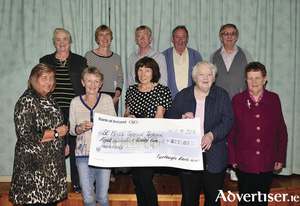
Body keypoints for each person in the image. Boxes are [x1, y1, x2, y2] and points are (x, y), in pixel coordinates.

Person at [165, 61, 234, 206]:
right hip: (189, 155)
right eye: (201, 74)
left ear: (214, 78)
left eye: (209, 74)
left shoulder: (222, 95)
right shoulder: (183, 95)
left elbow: (228, 120)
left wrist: (212, 135)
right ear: (194, 78)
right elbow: (169, 116)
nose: (205, 78)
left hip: (215, 155)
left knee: (213, 200)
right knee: (189, 199)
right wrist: (181, 118)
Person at [228, 62, 288, 205]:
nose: (254, 82)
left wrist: (280, 157)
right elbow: (231, 132)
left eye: (257, 78)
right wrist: (232, 158)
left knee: (261, 201)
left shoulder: (274, 99)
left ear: (265, 79)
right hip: (244, 160)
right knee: (245, 201)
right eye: (250, 78)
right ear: (245, 80)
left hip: (267, 160)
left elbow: (281, 131)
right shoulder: (237, 100)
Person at [9, 63, 69, 206]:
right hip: (34, 172)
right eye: (44, 78)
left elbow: (57, 124)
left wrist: (63, 142)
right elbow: (26, 136)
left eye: (51, 78)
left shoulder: (49, 98)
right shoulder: (27, 100)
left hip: (51, 170)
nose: (49, 82)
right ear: (34, 79)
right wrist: (56, 133)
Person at [40, 28, 87, 193]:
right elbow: (40, 84)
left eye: (65, 39)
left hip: (75, 109)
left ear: (70, 41)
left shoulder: (80, 61)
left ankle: (78, 182)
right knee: (54, 146)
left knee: (75, 147)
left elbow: (86, 84)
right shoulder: (45, 60)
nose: (61, 42)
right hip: (53, 110)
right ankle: (53, 182)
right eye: (58, 39)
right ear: (54, 42)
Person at [124, 57, 172, 206]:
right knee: (137, 182)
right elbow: (126, 114)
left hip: (151, 141)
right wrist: (128, 117)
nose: (143, 74)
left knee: (145, 182)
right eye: (140, 70)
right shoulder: (131, 90)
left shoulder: (162, 90)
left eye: (147, 70)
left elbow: (159, 118)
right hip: (133, 141)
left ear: (154, 72)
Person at [210, 23, 253, 181]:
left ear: (237, 36)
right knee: (222, 134)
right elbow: (210, 79)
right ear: (220, 37)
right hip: (220, 102)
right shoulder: (214, 55)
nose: (229, 36)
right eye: (225, 33)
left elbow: (252, 76)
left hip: (239, 101)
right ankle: (224, 166)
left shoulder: (245, 54)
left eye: (232, 33)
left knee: (238, 134)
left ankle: (236, 166)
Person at [69, 67, 116, 206]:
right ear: (83, 82)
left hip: (103, 155)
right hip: (83, 156)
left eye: (96, 81)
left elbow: (114, 125)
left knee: (102, 197)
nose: (92, 84)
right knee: (88, 198)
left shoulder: (107, 100)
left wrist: (103, 127)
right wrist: (80, 128)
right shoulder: (75, 102)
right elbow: (72, 130)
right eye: (89, 80)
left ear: (101, 84)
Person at [85, 25, 124, 114]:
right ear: (97, 39)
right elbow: (87, 78)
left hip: (112, 98)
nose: (105, 37)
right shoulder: (89, 56)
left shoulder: (116, 58)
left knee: (112, 127)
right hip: (94, 97)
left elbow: (120, 78)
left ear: (111, 38)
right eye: (101, 35)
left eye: (107, 34)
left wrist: (116, 97)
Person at [163, 25, 203, 99]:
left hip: (191, 99)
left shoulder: (195, 55)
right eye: (177, 37)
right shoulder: (164, 56)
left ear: (187, 39)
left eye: (183, 37)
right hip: (170, 101)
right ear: (172, 39)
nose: (180, 40)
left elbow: (201, 78)